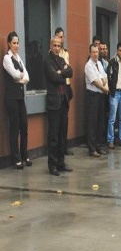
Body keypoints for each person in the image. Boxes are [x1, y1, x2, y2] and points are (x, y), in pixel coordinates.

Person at [44, 36, 73, 176]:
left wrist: (61, 72)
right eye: (54, 45)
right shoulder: (47, 60)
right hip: (53, 103)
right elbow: (53, 77)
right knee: (53, 136)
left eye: (59, 46)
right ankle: (52, 165)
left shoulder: (61, 59)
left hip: (63, 102)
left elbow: (70, 72)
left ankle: (61, 163)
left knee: (62, 135)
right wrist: (62, 72)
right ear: (51, 45)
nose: (57, 48)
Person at [3, 31, 31, 169]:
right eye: (14, 43)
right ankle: (16, 159)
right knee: (14, 128)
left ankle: (25, 154)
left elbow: (27, 77)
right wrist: (20, 77)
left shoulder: (18, 58)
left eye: (17, 43)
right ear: (9, 43)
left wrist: (20, 78)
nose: (16, 45)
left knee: (24, 126)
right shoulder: (7, 58)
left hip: (20, 97)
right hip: (11, 98)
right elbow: (14, 75)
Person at [85, 43, 109, 157]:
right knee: (92, 123)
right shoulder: (88, 66)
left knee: (100, 122)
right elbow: (95, 81)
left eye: (97, 52)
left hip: (100, 96)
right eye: (93, 52)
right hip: (92, 96)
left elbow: (105, 77)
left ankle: (99, 146)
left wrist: (106, 86)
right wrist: (104, 88)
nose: (95, 54)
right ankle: (92, 148)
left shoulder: (99, 63)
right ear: (90, 53)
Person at [107, 42, 121, 149]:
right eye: (120, 50)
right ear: (117, 51)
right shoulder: (112, 62)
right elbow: (109, 77)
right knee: (112, 119)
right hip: (115, 93)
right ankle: (110, 140)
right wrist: (111, 91)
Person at [55, 27, 74, 156]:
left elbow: (69, 70)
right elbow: (61, 70)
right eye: (59, 37)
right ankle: (59, 147)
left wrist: (64, 70)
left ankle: (65, 146)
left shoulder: (66, 53)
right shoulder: (54, 53)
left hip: (67, 86)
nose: (61, 40)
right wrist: (64, 70)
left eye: (62, 37)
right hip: (58, 88)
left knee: (65, 119)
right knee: (58, 121)